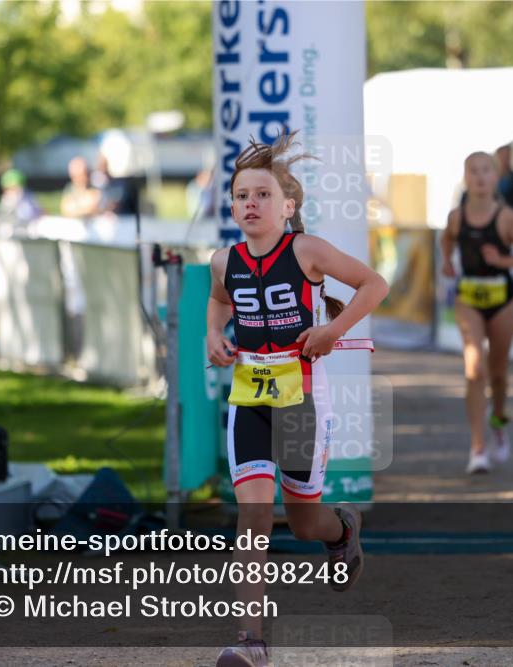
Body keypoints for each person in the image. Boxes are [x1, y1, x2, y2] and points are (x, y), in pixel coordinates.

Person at [206, 132, 388, 667]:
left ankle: (342, 530)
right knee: (254, 514)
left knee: (305, 523)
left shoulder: (306, 252)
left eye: (262, 195)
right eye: (241, 196)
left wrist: (332, 331)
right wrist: (213, 335)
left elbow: (373, 284)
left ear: (288, 206)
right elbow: (218, 301)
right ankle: (250, 641)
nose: (251, 204)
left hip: (302, 396)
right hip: (250, 398)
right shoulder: (224, 260)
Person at [440, 152, 513, 474]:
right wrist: (447, 261)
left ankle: (498, 420)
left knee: (498, 373)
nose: (481, 177)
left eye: (486, 171)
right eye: (474, 171)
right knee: (474, 369)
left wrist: (503, 261)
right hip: (468, 296)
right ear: (466, 177)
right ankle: (478, 448)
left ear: (496, 178)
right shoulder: (457, 217)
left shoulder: (508, 217)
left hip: (502, 297)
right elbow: (446, 239)